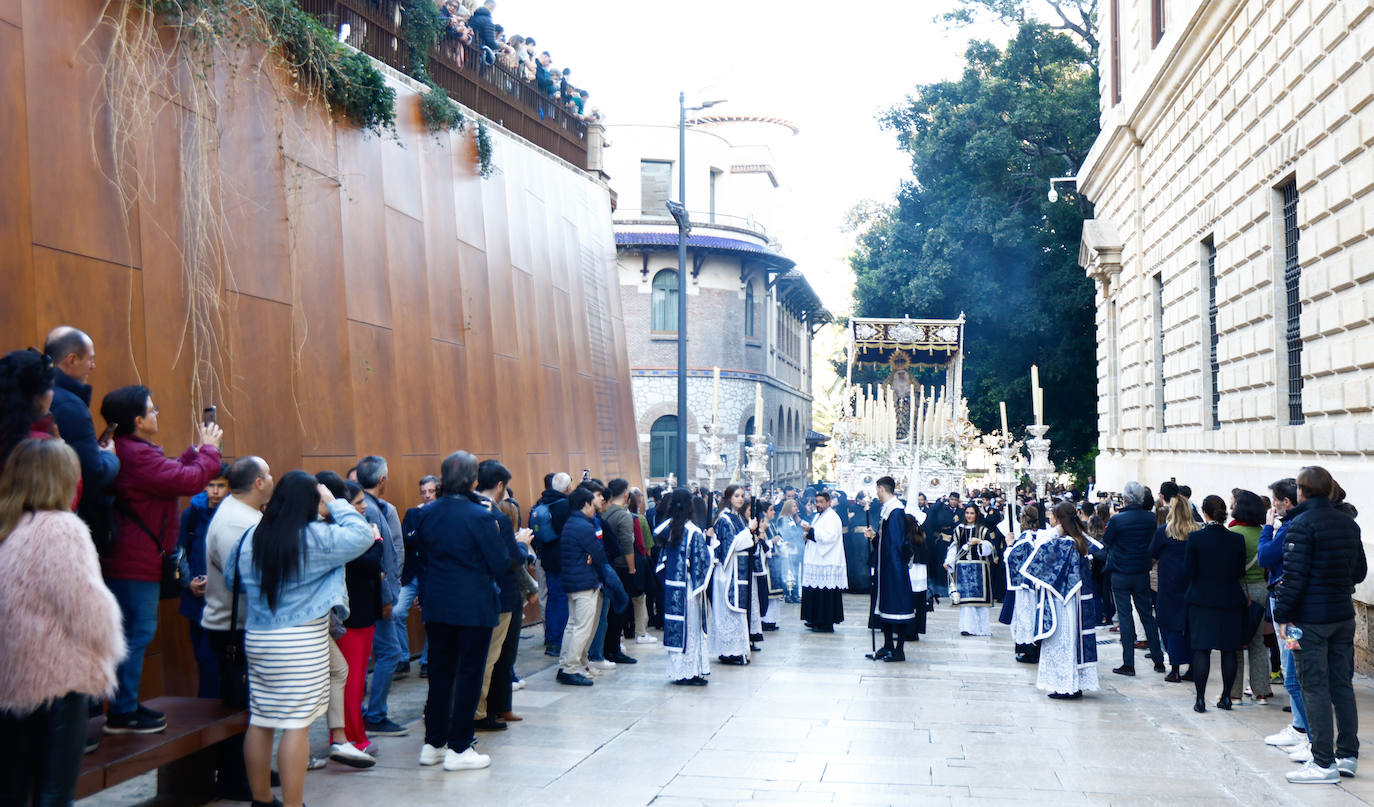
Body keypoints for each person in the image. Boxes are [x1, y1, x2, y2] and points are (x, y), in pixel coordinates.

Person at [229, 471, 373, 807]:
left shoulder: (252, 537)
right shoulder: (316, 538)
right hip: (301, 642)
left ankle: (262, 800)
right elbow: (362, 535)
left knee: (261, 719)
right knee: (297, 725)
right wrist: (335, 501)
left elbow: (233, 573)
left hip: (259, 638)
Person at [0, 439, 125, 806]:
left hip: (11, 678)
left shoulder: (8, 526)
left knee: (13, 791)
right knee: (54, 794)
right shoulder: (61, 529)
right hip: (59, 678)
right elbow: (86, 607)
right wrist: (109, 645)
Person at [99, 385, 223, 734]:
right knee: (137, 633)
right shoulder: (136, 454)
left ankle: (125, 706)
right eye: (152, 411)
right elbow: (189, 480)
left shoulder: (132, 449)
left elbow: (168, 473)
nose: (157, 415)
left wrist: (196, 451)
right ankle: (122, 711)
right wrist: (209, 453)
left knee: (135, 633)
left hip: (132, 557)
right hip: (133, 560)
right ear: (137, 420)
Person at [410, 452, 506, 772]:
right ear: (473, 481)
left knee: (439, 674)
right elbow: (498, 563)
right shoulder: (480, 516)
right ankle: (460, 747)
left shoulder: (425, 513)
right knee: (468, 675)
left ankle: (434, 743)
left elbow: (420, 558)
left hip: (437, 603)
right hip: (473, 606)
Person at [1273, 466, 1366, 784]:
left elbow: (1294, 578)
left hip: (1309, 621)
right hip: (1341, 615)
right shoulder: (1347, 523)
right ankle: (1347, 755)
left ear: (1301, 491)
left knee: (1313, 686)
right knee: (1341, 685)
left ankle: (1324, 761)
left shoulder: (1300, 524)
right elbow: (1359, 572)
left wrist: (1283, 616)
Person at [201, 456, 275, 799]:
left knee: (251, 704)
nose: (273, 479)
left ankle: (250, 768)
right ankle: (234, 778)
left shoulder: (246, 514)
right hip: (233, 629)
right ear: (259, 482)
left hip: (246, 625)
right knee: (239, 708)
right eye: (269, 474)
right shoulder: (235, 522)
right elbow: (246, 578)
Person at [318, 475, 384, 766]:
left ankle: (352, 736)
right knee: (350, 681)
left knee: (356, 681)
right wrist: (376, 539)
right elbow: (370, 564)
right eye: (357, 504)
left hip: (363, 611)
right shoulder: (336, 533)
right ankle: (349, 738)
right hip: (350, 616)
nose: (363, 509)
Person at [44, 327, 121, 543]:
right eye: (90, 359)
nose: (93, 366)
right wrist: (109, 456)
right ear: (71, 360)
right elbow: (92, 473)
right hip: (65, 522)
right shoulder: (70, 406)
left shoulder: (32, 393)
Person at [472, 460, 533, 731]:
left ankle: (494, 708)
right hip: (497, 594)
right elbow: (511, 558)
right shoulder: (494, 516)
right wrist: (522, 545)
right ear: (499, 486)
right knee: (490, 657)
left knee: (494, 656)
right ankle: (480, 711)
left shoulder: (465, 511)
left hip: (474, 593)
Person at [1021, 501, 1100, 700]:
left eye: (1052, 517)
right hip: (1076, 600)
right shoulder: (1079, 540)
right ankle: (1074, 683)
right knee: (1073, 642)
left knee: (1063, 642)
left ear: (1059, 519)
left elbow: (1038, 551)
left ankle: (1066, 685)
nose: (1049, 520)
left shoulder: (1064, 543)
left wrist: (1056, 531)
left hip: (1062, 602)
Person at [355, 455, 407, 738]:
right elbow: (379, 560)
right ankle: (375, 714)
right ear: (382, 479)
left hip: (378, 593)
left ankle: (365, 712)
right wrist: (386, 597)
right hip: (379, 595)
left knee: (373, 654)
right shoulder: (371, 510)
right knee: (390, 652)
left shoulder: (374, 507)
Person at [1258, 478, 1310, 753]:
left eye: (1276, 501)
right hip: (1286, 608)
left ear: (1286, 503)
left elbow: (1266, 555)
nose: (1274, 505)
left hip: (1288, 612)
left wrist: (1268, 527)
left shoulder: (1289, 528)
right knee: (1293, 667)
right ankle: (1300, 726)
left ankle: (1306, 732)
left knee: (1292, 670)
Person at [1184, 495, 1246, 714]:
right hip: (1229, 599)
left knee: (1202, 650)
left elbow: (1189, 571)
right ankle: (1227, 698)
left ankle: (1200, 700)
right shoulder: (1236, 540)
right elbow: (1239, 572)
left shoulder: (1195, 539)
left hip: (1202, 600)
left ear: (1205, 512)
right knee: (1229, 650)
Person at [176, 464, 231, 698]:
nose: (215, 491)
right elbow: (178, 552)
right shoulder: (192, 513)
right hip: (196, 600)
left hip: (225, 600)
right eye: (211, 485)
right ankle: (206, 714)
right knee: (203, 658)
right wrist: (188, 581)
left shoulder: (233, 514)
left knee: (220, 661)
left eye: (221, 486)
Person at [1101, 480, 1164, 675]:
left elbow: (1106, 541)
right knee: (1147, 616)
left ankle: (1128, 663)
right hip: (1141, 572)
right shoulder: (1150, 519)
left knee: (1125, 617)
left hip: (1120, 572)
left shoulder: (1118, 520)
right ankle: (1158, 660)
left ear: (1126, 498)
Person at [656, 488, 714, 686]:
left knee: (679, 629)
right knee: (691, 629)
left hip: (673, 587)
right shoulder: (694, 531)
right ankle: (689, 672)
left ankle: (679, 669)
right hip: (689, 588)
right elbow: (704, 561)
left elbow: (662, 561)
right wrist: (712, 546)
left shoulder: (669, 528)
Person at [555, 486, 607, 686]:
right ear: (586, 504)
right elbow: (600, 554)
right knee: (582, 628)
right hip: (584, 582)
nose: (595, 508)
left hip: (572, 581)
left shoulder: (571, 523)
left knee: (572, 626)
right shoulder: (584, 526)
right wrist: (592, 557)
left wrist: (590, 556)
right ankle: (570, 669)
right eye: (593, 505)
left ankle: (563, 665)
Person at [864, 477, 919, 662]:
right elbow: (886, 541)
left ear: (881, 489)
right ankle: (887, 645)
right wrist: (874, 538)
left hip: (893, 569)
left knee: (898, 606)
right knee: (884, 606)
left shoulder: (895, 511)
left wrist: (892, 567)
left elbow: (896, 543)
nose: (876, 494)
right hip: (886, 567)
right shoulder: (888, 510)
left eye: (876, 490)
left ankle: (899, 650)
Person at [1228, 488, 1273, 705]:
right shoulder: (1265, 532)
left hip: (1240, 591)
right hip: (1261, 589)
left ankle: (1234, 693)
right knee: (1258, 642)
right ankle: (1262, 691)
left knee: (1236, 642)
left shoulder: (1234, 534)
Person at [397, 475, 439, 679]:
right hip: (412, 573)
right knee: (396, 612)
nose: (427, 495)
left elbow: (431, 540)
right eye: (424, 492)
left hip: (431, 573)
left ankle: (427, 660)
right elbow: (408, 538)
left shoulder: (440, 513)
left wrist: (417, 537)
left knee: (432, 616)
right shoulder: (413, 513)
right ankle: (403, 658)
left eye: (431, 491)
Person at [1149, 495, 1194, 683]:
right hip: (1190, 581)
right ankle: (1192, 665)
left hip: (1169, 582)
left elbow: (1152, 552)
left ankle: (1175, 667)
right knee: (1190, 624)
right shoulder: (1196, 531)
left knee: (1169, 624)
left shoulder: (1164, 531)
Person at [710, 485, 756, 665]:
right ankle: (728, 651)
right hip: (727, 572)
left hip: (739, 571)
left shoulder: (737, 518)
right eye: (737, 496)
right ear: (729, 498)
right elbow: (730, 545)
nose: (741, 499)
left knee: (737, 614)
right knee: (727, 613)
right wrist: (748, 531)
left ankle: (736, 650)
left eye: (743, 496)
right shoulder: (724, 519)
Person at [531, 472, 572, 656]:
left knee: (552, 598)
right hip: (563, 559)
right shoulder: (566, 505)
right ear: (568, 488)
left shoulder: (542, 502)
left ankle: (550, 638)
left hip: (546, 558)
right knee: (562, 599)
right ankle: (558, 641)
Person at [600, 478, 639, 665]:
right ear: (626, 494)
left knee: (607, 611)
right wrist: (632, 568)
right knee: (619, 609)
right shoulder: (624, 515)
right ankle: (613, 649)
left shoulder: (603, 512)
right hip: (621, 567)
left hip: (605, 565)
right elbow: (627, 545)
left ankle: (606, 647)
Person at [0, 349, 58, 470]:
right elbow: (69, 485)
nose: (53, 394)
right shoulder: (41, 447)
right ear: (37, 398)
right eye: (51, 387)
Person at [945, 505, 996, 636]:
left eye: (972, 513)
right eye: (967, 513)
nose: (969, 516)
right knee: (966, 600)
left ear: (976, 515)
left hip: (980, 569)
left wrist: (979, 542)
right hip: (963, 569)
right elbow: (953, 548)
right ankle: (967, 627)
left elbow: (991, 549)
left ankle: (981, 628)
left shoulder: (983, 531)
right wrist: (949, 562)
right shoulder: (959, 530)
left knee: (979, 601)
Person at [1001, 505, 1043, 663]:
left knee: (1026, 616)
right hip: (1035, 586)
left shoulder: (1025, 539)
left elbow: (1010, 558)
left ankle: (1028, 650)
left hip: (1025, 587)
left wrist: (1009, 544)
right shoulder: (1038, 536)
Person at [800, 490, 846, 632]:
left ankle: (825, 623)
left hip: (827, 560)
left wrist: (811, 531)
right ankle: (814, 619)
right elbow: (816, 533)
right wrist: (808, 534)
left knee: (824, 594)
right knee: (814, 591)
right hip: (817, 559)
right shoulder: (818, 516)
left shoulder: (832, 517)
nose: (818, 505)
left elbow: (829, 538)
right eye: (817, 502)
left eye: (821, 502)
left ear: (828, 502)